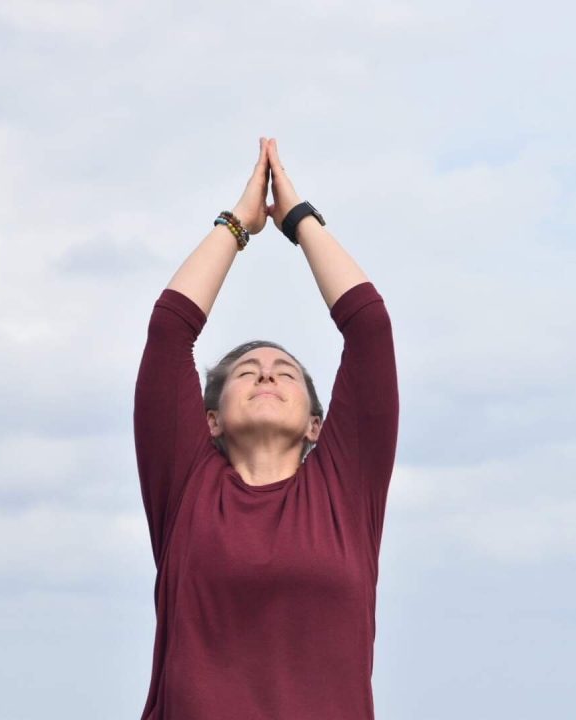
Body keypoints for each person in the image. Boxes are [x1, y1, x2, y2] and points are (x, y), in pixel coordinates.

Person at [133, 137, 399, 719]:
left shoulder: (344, 494)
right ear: (210, 420)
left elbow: (369, 328)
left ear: (314, 425)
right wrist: (237, 225)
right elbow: (169, 331)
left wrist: (299, 218)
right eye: (247, 371)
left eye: (285, 372)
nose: (267, 372)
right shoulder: (186, 489)